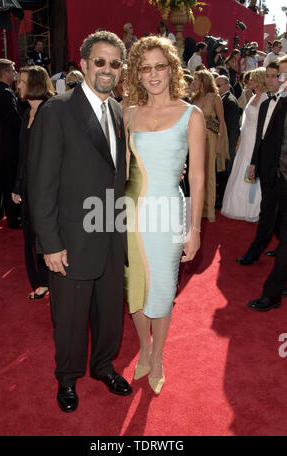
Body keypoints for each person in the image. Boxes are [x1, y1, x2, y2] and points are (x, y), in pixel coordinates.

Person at [27, 31, 131, 413]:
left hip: (110, 235)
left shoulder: (119, 111)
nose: (107, 69)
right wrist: (50, 244)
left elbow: (116, 173)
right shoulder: (58, 110)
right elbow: (41, 184)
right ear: (84, 65)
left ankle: (103, 366)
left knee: (108, 314)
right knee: (69, 320)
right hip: (69, 241)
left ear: (121, 70)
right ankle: (67, 378)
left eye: (115, 63)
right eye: (100, 62)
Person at [123, 36, 205, 394]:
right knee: (135, 290)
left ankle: (158, 358)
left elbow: (199, 178)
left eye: (160, 66)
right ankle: (144, 347)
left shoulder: (192, 115)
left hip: (169, 212)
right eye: (145, 68)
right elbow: (121, 170)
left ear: (172, 69)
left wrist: (195, 228)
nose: (153, 74)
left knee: (163, 288)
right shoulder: (128, 114)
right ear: (137, 75)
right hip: (131, 214)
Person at [247, 56, 287, 311]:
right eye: (278, 74)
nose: (280, 79)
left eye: (282, 74)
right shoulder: (276, 101)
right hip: (277, 174)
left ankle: (273, 292)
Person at [236, 61, 285, 265]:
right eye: (269, 75)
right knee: (267, 212)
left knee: (281, 215)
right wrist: (254, 164)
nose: (271, 80)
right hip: (266, 168)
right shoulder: (265, 104)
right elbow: (260, 137)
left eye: (276, 76)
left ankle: (282, 250)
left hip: (282, 171)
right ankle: (255, 251)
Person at [12, 66, 54, 299]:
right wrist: (18, 185)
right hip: (28, 185)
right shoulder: (26, 111)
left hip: (46, 187)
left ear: (35, 84)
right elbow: (23, 153)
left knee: (45, 233)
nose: (18, 85)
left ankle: (51, 279)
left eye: (23, 81)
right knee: (29, 234)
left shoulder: (50, 111)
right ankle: (41, 281)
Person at [221, 67, 267, 222]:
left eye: (253, 79)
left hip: (256, 141)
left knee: (252, 171)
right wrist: (240, 139)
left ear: (260, 80)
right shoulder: (253, 96)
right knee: (240, 169)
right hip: (245, 139)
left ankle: (252, 208)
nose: (249, 81)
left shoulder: (265, 99)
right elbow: (245, 122)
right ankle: (237, 206)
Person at [192, 70, 229, 222]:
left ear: (203, 81)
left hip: (210, 139)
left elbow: (221, 122)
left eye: (195, 80)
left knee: (208, 174)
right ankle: (197, 207)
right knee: (195, 174)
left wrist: (219, 143)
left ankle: (208, 210)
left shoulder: (215, 97)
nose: (193, 82)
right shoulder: (194, 97)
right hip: (195, 139)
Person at [0, 59, 22, 227]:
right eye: (12, 70)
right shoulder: (6, 93)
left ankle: (5, 214)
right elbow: (14, 120)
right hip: (10, 146)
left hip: (1, 144)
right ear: (4, 73)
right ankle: (13, 218)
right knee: (10, 182)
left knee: (3, 181)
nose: (15, 73)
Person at [215, 75, 240, 208]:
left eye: (218, 86)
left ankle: (223, 199)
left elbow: (230, 127)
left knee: (225, 171)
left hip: (228, 142)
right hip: (224, 141)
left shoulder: (230, 101)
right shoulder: (223, 99)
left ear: (227, 85)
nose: (216, 88)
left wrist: (227, 145)